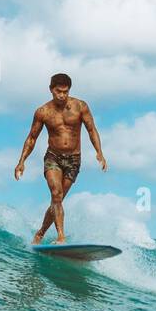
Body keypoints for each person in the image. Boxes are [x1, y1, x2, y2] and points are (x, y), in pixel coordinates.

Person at [14, 73, 107, 245]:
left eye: (65, 91)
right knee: (56, 194)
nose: (62, 95)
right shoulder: (43, 112)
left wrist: (99, 152)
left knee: (58, 200)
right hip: (53, 157)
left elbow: (91, 129)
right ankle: (61, 237)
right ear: (51, 90)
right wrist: (22, 161)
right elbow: (32, 138)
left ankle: (40, 233)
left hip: (74, 160)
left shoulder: (80, 106)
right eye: (59, 91)